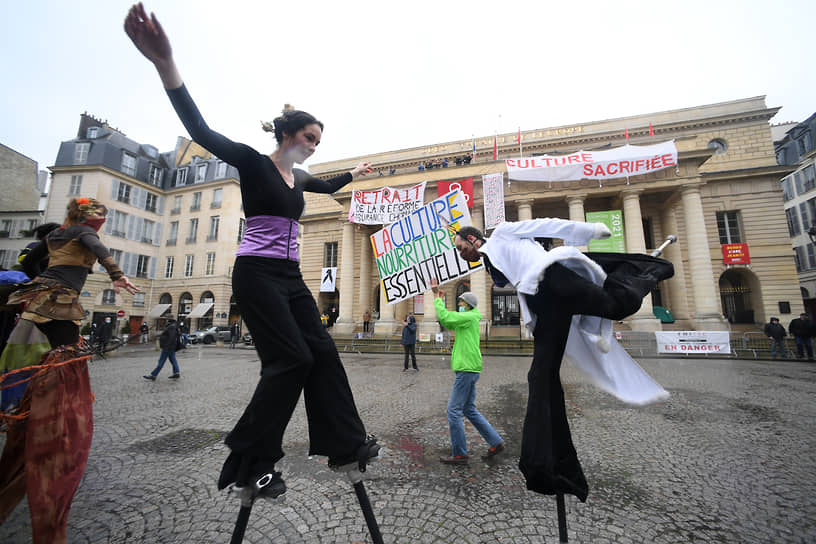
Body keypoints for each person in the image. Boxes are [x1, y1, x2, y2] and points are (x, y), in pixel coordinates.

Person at [125, 3, 379, 501]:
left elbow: (326, 182)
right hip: (257, 275)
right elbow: (200, 131)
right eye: (309, 137)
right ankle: (251, 464)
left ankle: (346, 444)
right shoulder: (251, 162)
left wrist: (358, 172)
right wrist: (164, 63)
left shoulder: (300, 177)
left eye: (319, 141)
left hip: (289, 277)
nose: (313, 146)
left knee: (323, 353)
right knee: (290, 360)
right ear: (286, 135)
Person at [450, 220, 672, 501]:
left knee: (614, 305)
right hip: (543, 304)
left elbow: (545, 224)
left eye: (461, 248)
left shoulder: (503, 233)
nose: (460, 254)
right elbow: (514, 282)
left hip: (553, 278)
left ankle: (645, 270)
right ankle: (550, 466)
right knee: (539, 377)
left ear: (472, 239)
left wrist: (588, 231)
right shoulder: (488, 262)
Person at [0, 197, 138, 543]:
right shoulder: (80, 233)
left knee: (44, 353)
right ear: (86, 217)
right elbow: (99, 248)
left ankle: (27, 398)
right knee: (66, 356)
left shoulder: (57, 236)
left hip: (40, 296)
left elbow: (33, 261)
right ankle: (50, 406)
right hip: (57, 301)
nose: (102, 222)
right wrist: (117, 275)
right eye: (99, 216)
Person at [430, 282, 504, 464]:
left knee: (453, 411)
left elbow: (445, 317)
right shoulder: (469, 319)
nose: (459, 305)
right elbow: (448, 320)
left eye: (461, 303)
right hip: (470, 368)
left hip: (466, 369)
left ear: (468, 305)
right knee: (468, 409)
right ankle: (495, 442)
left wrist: (436, 298)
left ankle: (460, 454)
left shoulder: (469, 317)